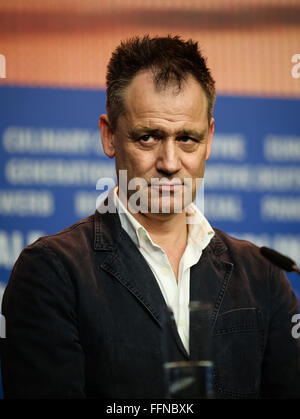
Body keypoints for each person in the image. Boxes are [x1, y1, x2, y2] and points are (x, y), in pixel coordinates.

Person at [1, 35, 300, 399]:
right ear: (109, 136)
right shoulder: (51, 272)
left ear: (210, 139)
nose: (170, 163)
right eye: (148, 138)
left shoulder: (263, 274)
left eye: (187, 138)